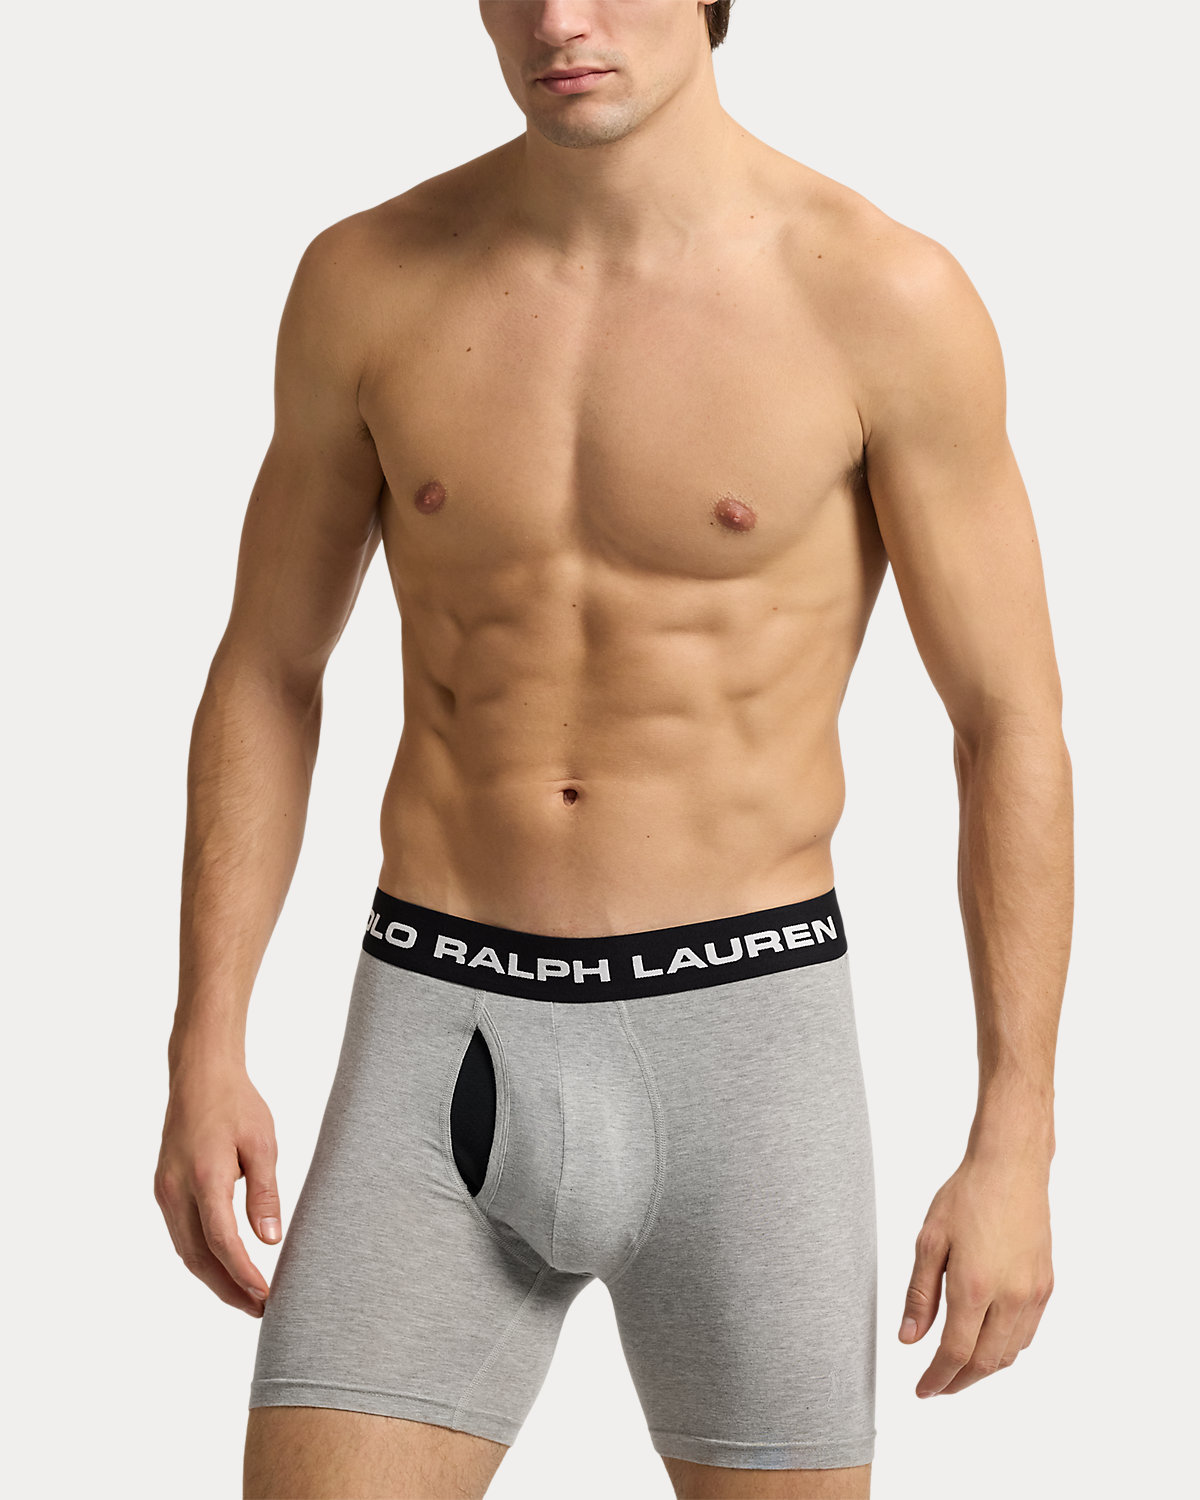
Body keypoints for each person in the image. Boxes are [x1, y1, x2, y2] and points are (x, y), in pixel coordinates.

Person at [154, 3, 1072, 1496]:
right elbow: (268, 666)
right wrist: (204, 1042)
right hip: (440, 1020)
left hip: (745, 1051)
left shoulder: (882, 296)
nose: (558, 20)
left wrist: (1016, 1138)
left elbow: (1007, 720)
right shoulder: (367, 280)